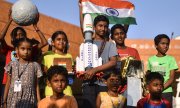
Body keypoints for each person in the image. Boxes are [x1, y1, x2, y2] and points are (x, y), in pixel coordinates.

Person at [0, 9, 47, 102]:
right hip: (8, 83)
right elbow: (1, 37)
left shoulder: (28, 50)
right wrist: (10, 20)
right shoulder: (8, 50)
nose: (19, 36)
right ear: (13, 38)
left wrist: (35, 26)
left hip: (26, 83)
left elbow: (44, 42)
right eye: (16, 35)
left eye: (21, 34)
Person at [79, 2, 118, 107]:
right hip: (88, 83)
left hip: (104, 84)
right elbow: (83, 27)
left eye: (105, 26)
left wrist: (95, 70)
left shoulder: (111, 44)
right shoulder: (88, 42)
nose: (103, 29)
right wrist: (81, 7)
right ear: (94, 27)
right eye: (100, 26)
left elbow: (113, 62)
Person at [2, 37, 42, 108]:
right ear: (17, 50)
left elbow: (36, 86)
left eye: (29, 49)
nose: (26, 52)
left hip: (29, 99)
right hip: (13, 99)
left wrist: (39, 102)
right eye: (23, 49)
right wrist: (4, 101)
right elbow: (8, 83)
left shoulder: (35, 66)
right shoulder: (12, 65)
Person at [147, 34, 178, 105]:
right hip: (153, 92)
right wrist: (149, 89)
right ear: (156, 46)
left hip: (166, 92)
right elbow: (148, 77)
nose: (165, 46)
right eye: (163, 43)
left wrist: (161, 88)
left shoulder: (171, 59)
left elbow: (171, 78)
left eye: (167, 44)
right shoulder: (151, 59)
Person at [42, 30, 73, 97]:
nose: (61, 41)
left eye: (64, 40)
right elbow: (44, 73)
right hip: (51, 93)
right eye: (58, 39)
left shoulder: (69, 56)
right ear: (52, 42)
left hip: (67, 92)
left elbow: (70, 76)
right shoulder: (47, 55)